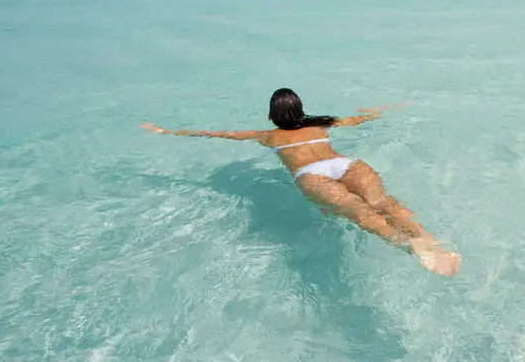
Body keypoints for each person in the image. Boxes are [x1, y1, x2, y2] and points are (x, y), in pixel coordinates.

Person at [140, 87, 461, 276]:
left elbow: (218, 133)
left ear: (271, 116)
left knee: (363, 215)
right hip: (344, 164)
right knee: (384, 203)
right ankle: (428, 239)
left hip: (314, 176)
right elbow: (359, 118)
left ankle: (409, 246)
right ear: (301, 111)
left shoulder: (269, 136)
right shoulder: (322, 124)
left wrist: (167, 131)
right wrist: (378, 109)